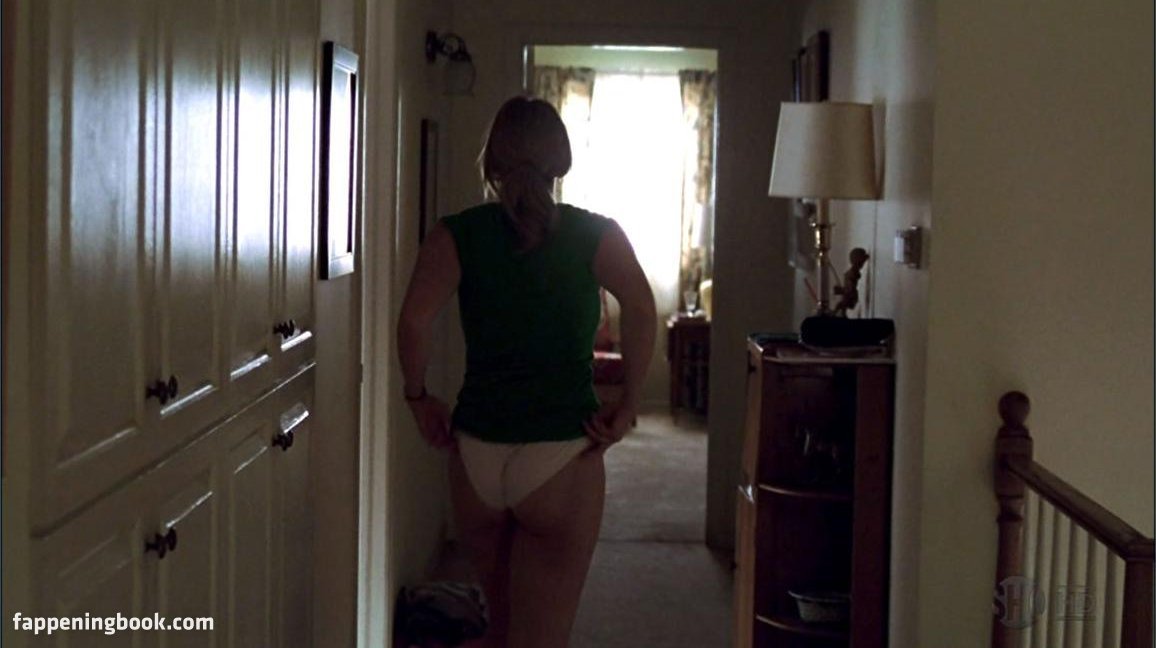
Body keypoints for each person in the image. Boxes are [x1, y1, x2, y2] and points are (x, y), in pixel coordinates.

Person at [396, 96, 657, 648]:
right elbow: (640, 306)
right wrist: (630, 402)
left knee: (501, 633)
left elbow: (414, 322)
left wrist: (418, 398)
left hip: (476, 456)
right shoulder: (596, 234)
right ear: (560, 161)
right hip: (562, 452)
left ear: (492, 162)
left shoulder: (456, 233)